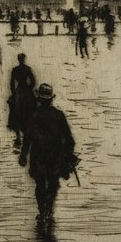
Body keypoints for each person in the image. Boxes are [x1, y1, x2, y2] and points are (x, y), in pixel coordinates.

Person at [24, 83, 77, 228]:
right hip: (54, 157)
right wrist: (68, 155)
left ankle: (42, 212)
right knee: (53, 184)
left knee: (40, 184)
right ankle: (48, 210)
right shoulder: (59, 115)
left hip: (38, 157)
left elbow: (27, 138)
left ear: (39, 99)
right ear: (50, 99)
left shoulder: (33, 115)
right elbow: (69, 139)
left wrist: (23, 155)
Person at [8, 53, 38, 163]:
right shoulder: (27, 69)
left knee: (14, 112)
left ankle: (17, 136)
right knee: (31, 110)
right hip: (27, 92)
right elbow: (33, 81)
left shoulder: (15, 70)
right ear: (23, 60)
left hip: (19, 92)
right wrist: (29, 89)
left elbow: (11, 83)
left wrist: (14, 93)